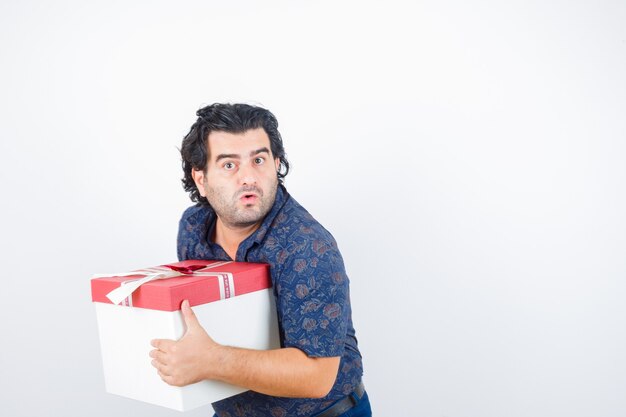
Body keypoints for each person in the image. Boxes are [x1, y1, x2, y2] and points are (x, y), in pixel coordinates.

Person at [149, 103, 371, 417]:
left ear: (276, 164)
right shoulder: (193, 227)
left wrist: (212, 361)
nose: (248, 177)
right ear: (201, 178)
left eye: (259, 160)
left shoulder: (306, 245)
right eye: (229, 165)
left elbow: (317, 376)